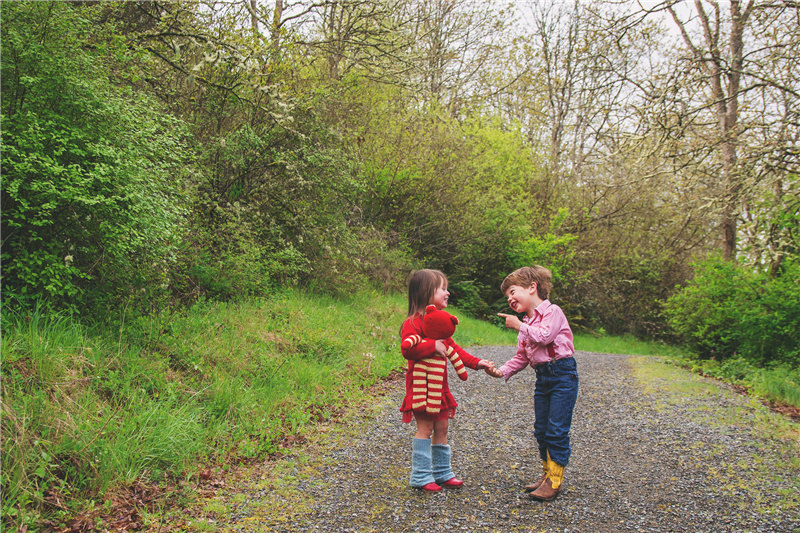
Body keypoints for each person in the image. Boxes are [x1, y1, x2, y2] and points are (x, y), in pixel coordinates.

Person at [486, 265, 578, 501]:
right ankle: (547, 474)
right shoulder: (526, 323)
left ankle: (555, 480)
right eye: (507, 296)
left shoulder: (552, 312)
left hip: (562, 375)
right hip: (543, 377)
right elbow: (522, 357)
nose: (509, 298)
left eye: (513, 292)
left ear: (532, 288)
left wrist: (519, 325)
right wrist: (501, 371)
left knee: (557, 429)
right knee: (541, 430)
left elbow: (545, 336)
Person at [400, 269, 497, 492]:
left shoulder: (440, 324)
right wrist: (431, 345)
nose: (448, 292)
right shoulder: (413, 323)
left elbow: (455, 350)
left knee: (442, 427)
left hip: (439, 389)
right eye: (442, 288)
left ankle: (442, 472)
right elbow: (408, 350)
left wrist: (477, 362)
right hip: (422, 390)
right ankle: (421, 475)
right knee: (425, 428)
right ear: (426, 293)